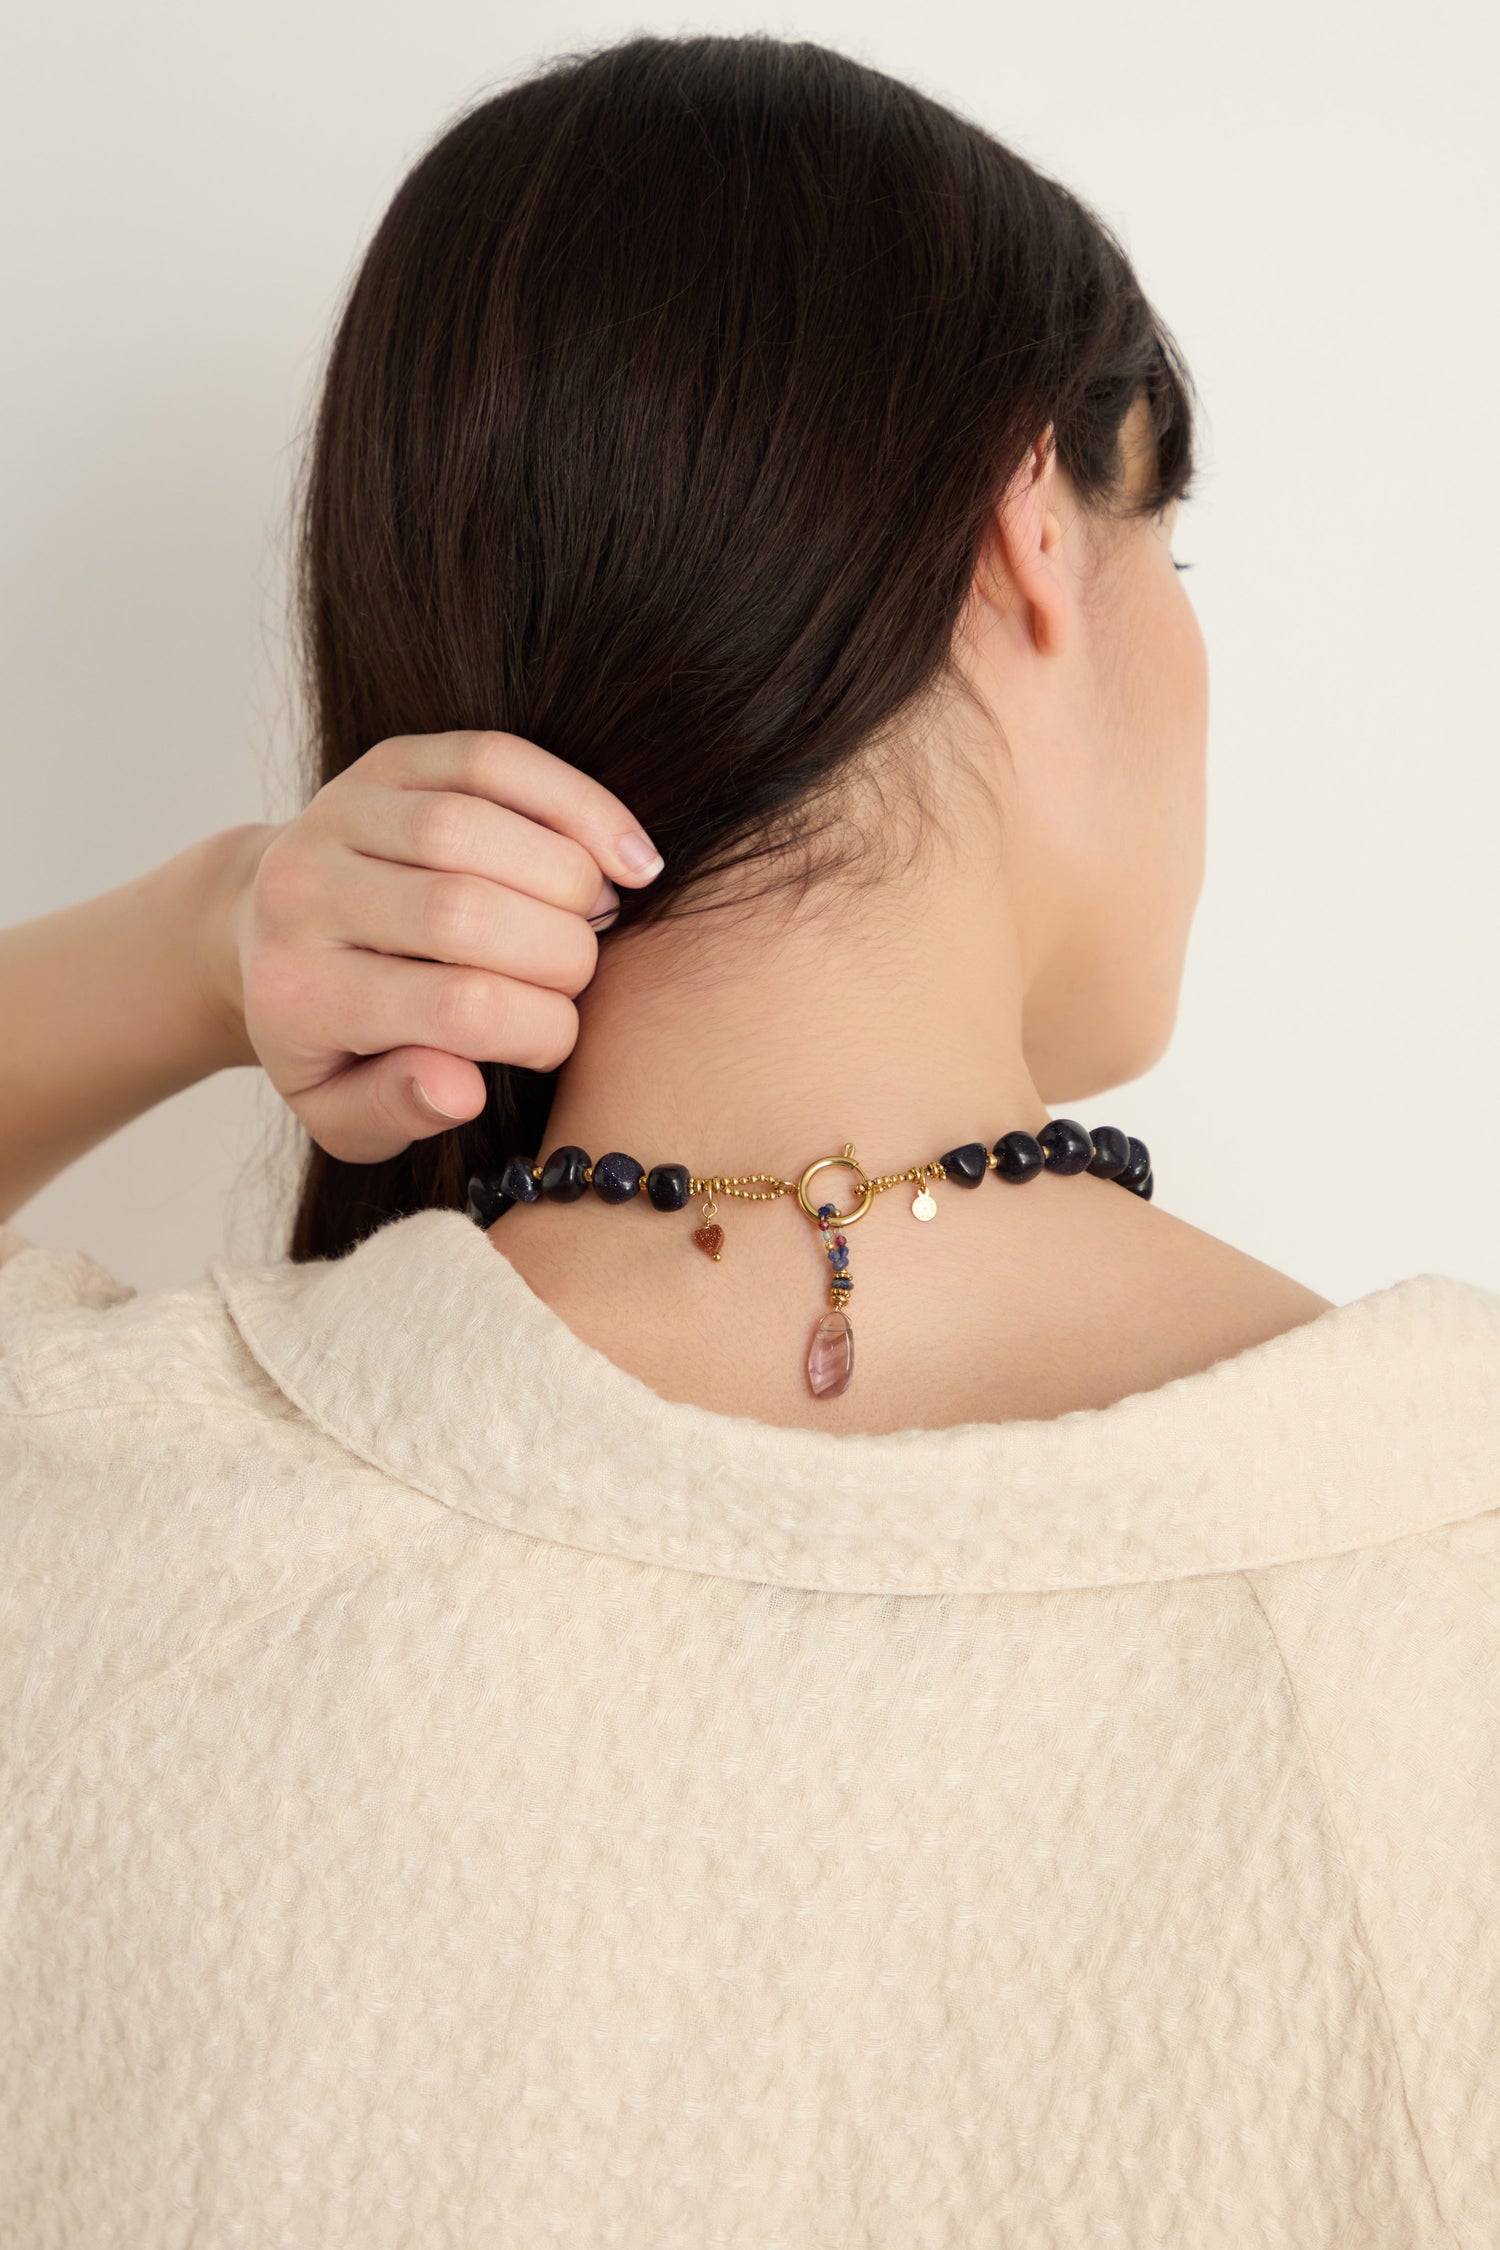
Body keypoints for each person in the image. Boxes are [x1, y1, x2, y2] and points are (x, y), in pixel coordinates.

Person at [2, 29, 1496, 2247]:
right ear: (1033, 532)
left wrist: (206, 942)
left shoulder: (84, 1543)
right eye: (1170, 546)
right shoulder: (1451, 1594)